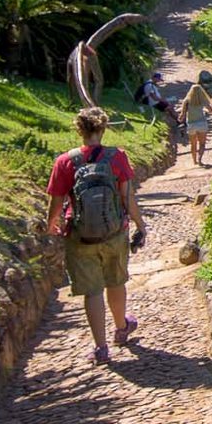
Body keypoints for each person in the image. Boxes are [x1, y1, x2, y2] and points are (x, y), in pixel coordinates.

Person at [45, 106, 147, 365]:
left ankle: (101, 348)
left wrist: (51, 224)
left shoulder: (65, 162)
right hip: (114, 233)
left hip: (80, 236)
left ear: (79, 130)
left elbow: (56, 201)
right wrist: (140, 224)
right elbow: (127, 197)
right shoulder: (117, 157)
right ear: (103, 129)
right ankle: (122, 327)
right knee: (115, 281)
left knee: (92, 291)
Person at [179, 77, 212, 166]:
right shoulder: (202, 100)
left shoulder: (186, 101)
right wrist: (204, 111)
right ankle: (200, 159)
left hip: (191, 124)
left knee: (193, 144)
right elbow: (211, 110)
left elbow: (182, 116)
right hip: (202, 123)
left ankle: (194, 161)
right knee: (202, 143)